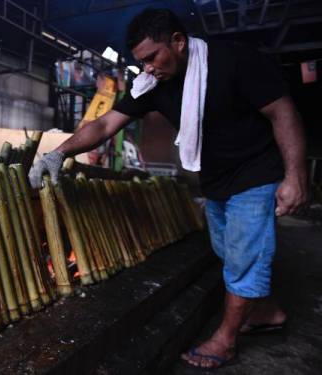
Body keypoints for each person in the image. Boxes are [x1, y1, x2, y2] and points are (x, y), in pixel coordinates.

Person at [29, 9, 308, 370]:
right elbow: (104, 125)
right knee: (229, 253)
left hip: (256, 174)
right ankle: (267, 312)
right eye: (140, 61)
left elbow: (282, 112)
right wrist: (58, 153)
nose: (146, 68)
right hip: (217, 180)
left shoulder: (233, 60)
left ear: (178, 42)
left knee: (244, 259)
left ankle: (225, 341)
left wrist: (295, 176)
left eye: (151, 57)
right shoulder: (152, 85)